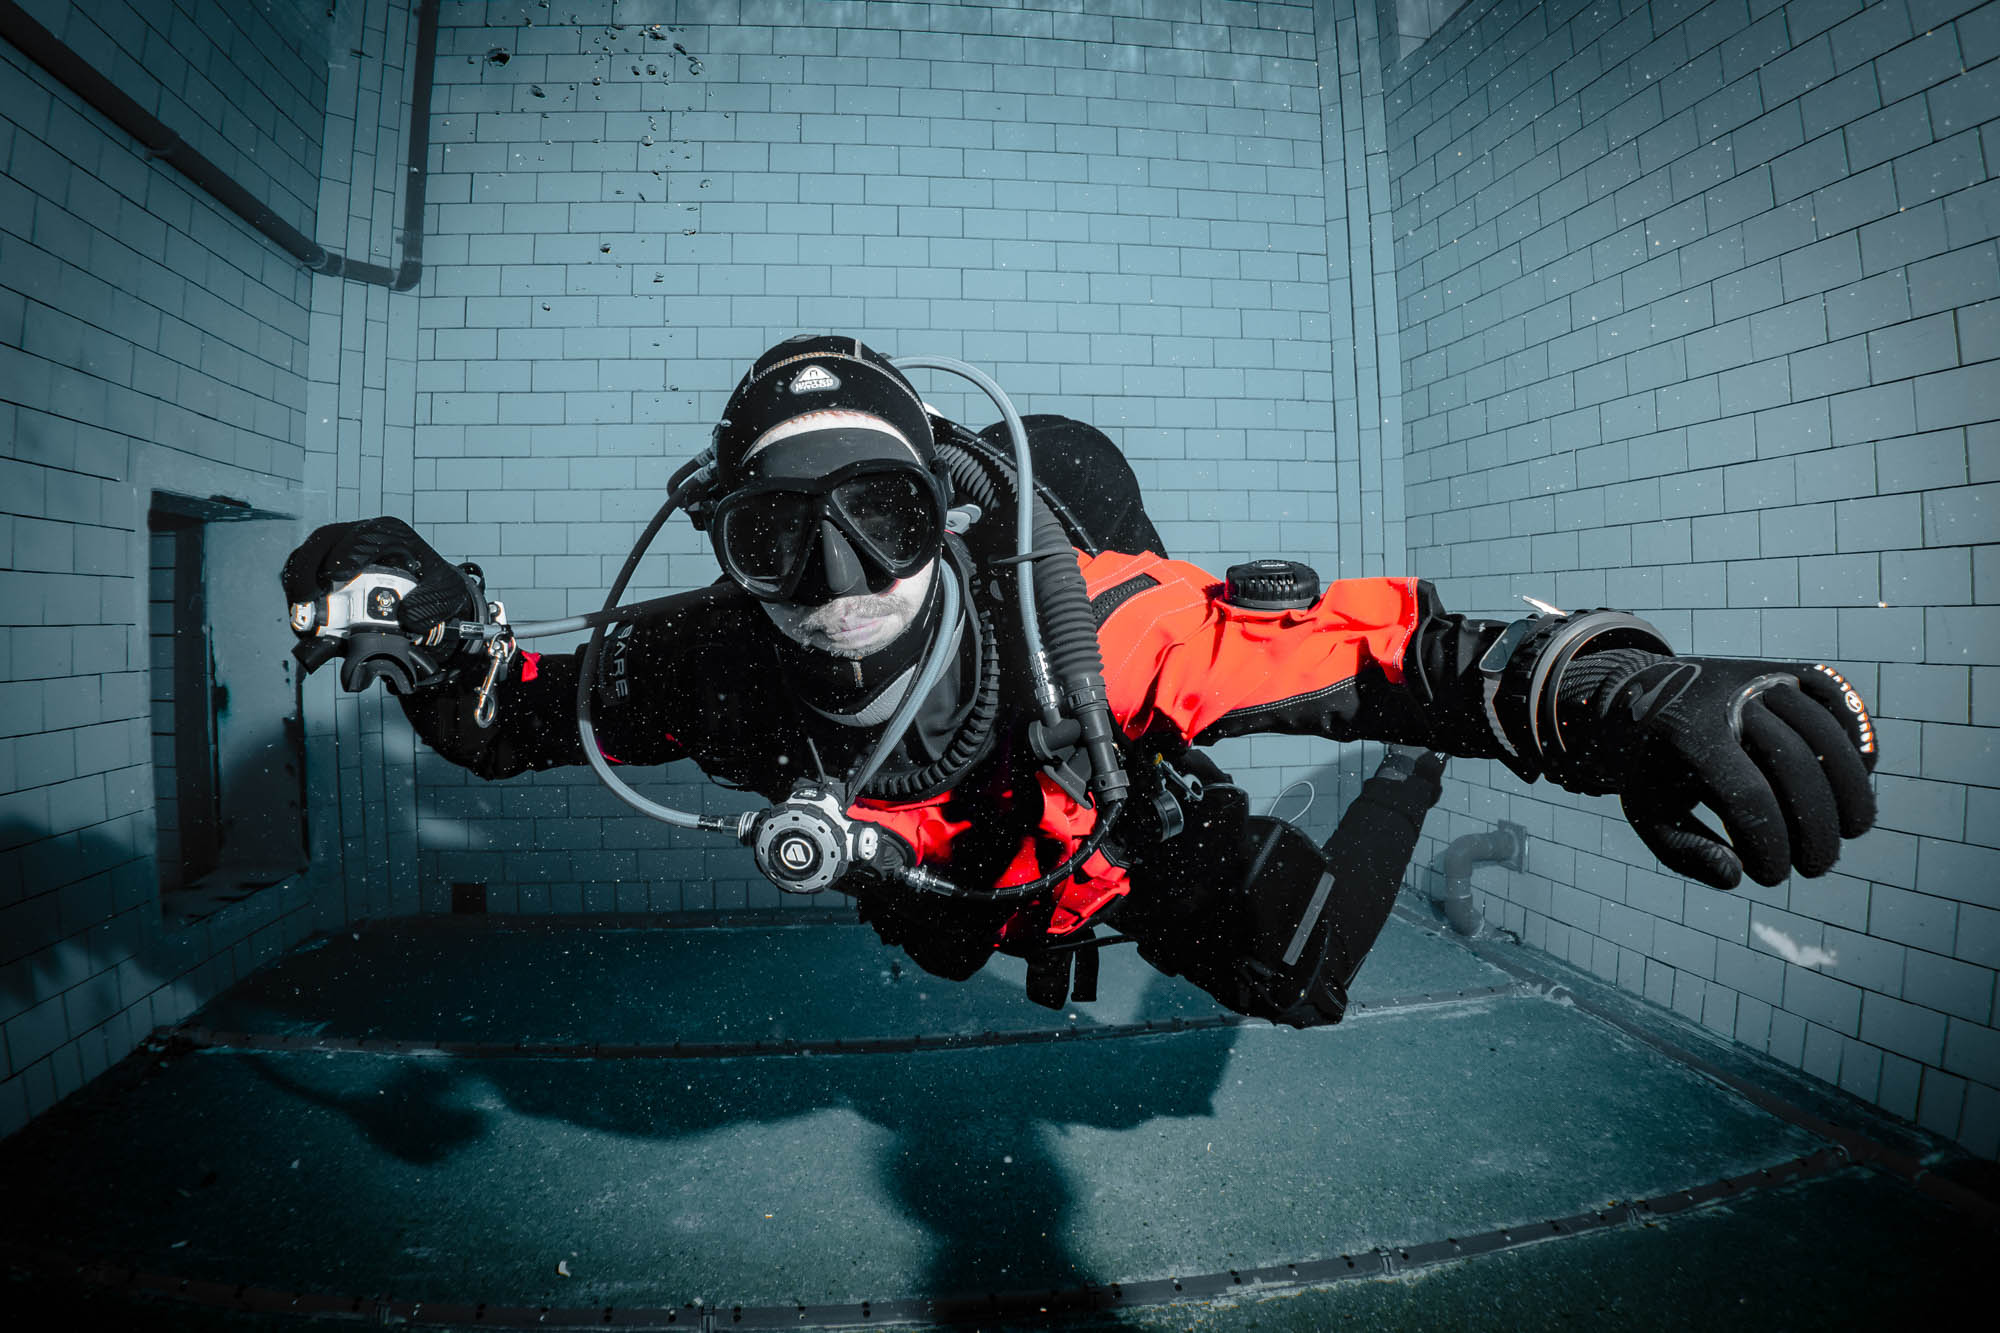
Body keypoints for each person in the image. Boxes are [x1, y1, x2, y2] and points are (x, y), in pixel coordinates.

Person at [282, 335, 1879, 1027]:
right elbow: (511, 719)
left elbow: (1392, 653)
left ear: (949, 509)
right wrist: (428, 640)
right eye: (784, 538)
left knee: (1300, 977)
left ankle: (1400, 805)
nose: (841, 587)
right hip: (962, 906)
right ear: (729, 549)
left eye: (883, 517)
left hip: (1125, 846)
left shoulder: (1090, 625)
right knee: (943, 943)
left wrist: (1607, 696)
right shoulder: (709, 666)